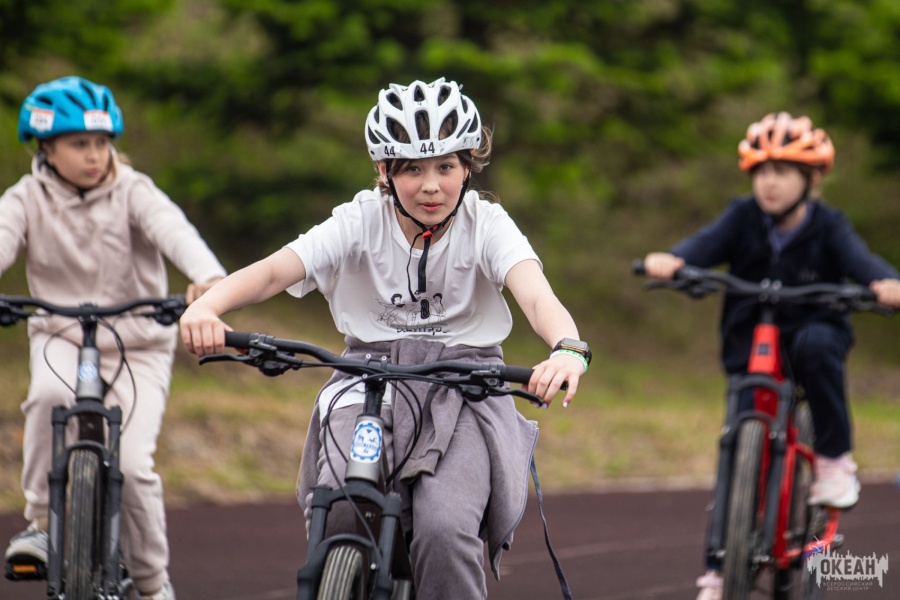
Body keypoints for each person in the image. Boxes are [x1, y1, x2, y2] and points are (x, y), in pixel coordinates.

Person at [179, 77, 589, 598]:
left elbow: (536, 296)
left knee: (444, 530)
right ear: (384, 171)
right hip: (367, 378)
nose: (431, 185)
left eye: (445, 166)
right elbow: (274, 271)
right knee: (340, 508)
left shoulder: (487, 224)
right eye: (412, 169)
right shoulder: (359, 220)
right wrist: (207, 306)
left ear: (468, 167)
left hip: (464, 389)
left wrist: (567, 347)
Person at [642, 112, 900, 600]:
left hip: (811, 341)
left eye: (782, 171)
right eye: (761, 171)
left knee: (817, 345)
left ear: (811, 179)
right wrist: (673, 260)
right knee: (735, 446)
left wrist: (886, 284)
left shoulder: (829, 226)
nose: (769, 182)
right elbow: (702, 246)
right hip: (752, 350)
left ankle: (833, 460)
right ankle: (719, 572)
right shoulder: (742, 216)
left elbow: (863, 263)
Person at [1, 76, 227, 600]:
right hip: (60, 336)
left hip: (138, 344)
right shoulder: (25, 198)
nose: (94, 155)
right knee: (48, 399)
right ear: (45, 148)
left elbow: (175, 231)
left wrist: (209, 279)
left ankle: (151, 584)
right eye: (79, 143)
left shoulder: (133, 190)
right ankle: (41, 522)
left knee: (132, 466)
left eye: (102, 142)